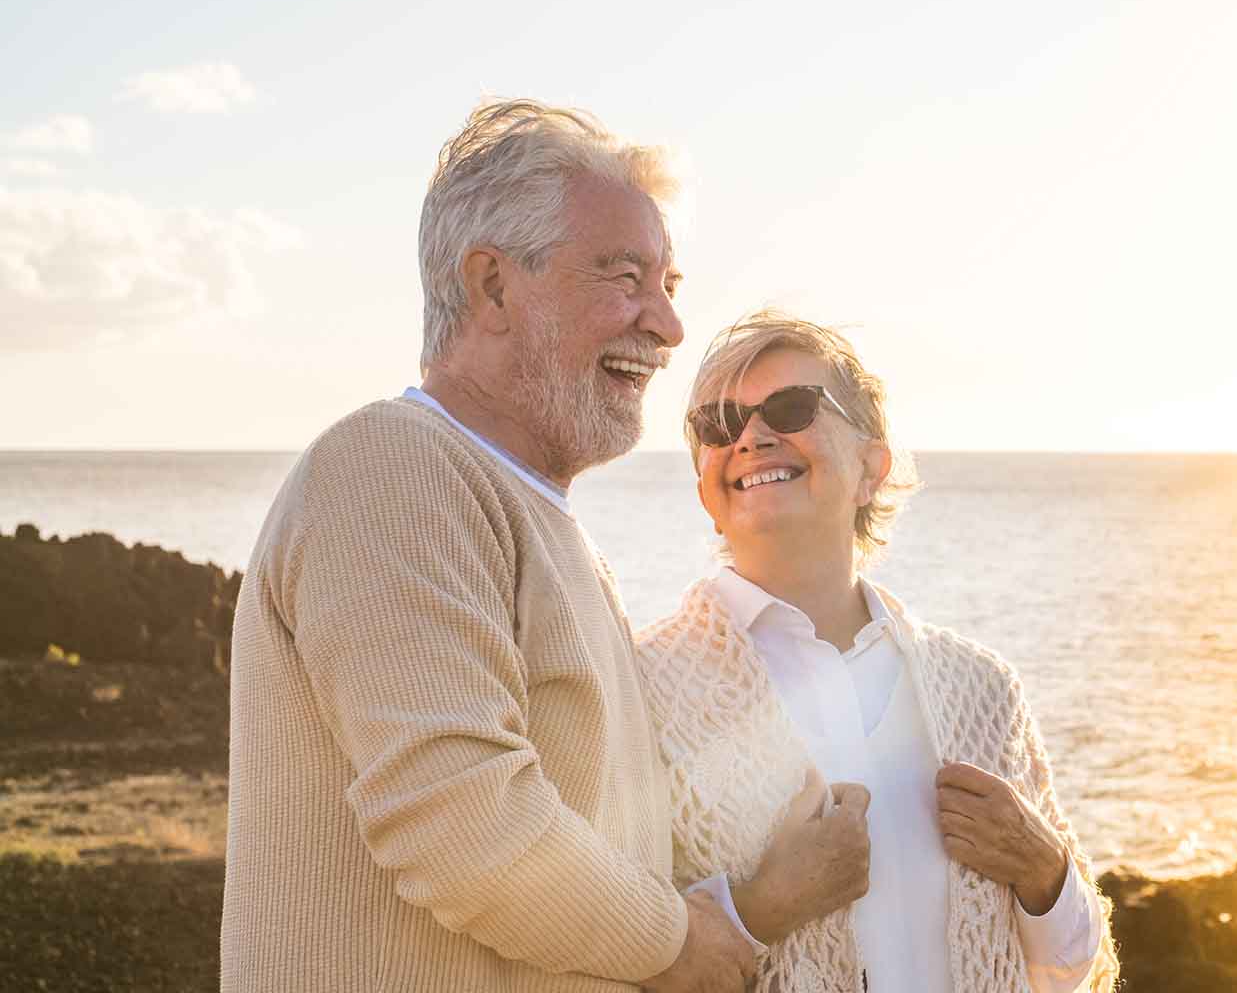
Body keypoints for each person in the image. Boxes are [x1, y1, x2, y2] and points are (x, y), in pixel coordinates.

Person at [221, 99, 760, 992]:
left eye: (670, 285)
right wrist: (678, 942)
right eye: (625, 277)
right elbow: (465, 826)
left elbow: (605, 849)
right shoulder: (392, 467)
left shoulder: (538, 516)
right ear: (494, 287)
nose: (666, 326)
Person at [636, 311, 1120, 993]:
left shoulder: (979, 689)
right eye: (717, 425)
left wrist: (1046, 872)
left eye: (791, 406)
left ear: (872, 466)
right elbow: (610, 961)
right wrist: (760, 908)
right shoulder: (641, 685)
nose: (750, 437)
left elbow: (1070, 973)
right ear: (705, 489)